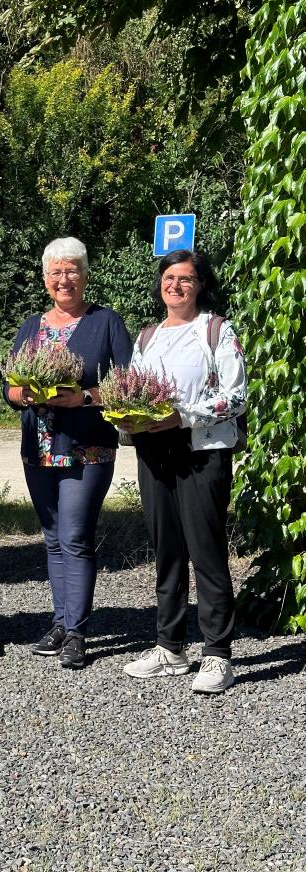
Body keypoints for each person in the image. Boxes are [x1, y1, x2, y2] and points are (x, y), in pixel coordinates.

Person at [122, 249, 246, 694]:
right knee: (167, 552)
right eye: (169, 278)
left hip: (201, 452)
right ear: (160, 284)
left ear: (200, 285)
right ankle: (170, 647)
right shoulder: (147, 337)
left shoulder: (215, 331)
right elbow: (133, 390)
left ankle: (217, 654)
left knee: (206, 552)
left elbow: (236, 397)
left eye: (186, 279)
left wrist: (183, 415)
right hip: (154, 452)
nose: (176, 286)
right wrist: (125, 415)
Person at [5, 237, 132, 669]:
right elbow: (9, 387)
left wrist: (85, 397)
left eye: (72, 270)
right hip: (39, 447)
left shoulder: (106, 323)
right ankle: (60, 622)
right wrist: (21, 393)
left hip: (87, 447)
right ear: (45, 279)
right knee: (54, 539)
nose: (65, 279)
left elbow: (127, 385)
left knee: (75, 537)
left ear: (85, 275)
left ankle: (77, 632)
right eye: (56, 272)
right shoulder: (31, 326)